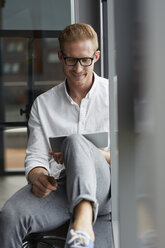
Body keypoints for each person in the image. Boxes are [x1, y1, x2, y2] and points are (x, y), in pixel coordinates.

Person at [0, 23, 111, 248]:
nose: (78, 68)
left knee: (75, 141)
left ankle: (82, 221)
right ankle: (81, 222)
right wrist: (38, 176)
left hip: (104, 188)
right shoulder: (44, 104)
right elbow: (35, 159)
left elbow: (134, 152)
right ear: (61, 56)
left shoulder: (115, 96)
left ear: (96, 56)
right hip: (61, 187)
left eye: (85, 60)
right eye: (71, 60)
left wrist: (92, 154)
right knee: (9, 215)